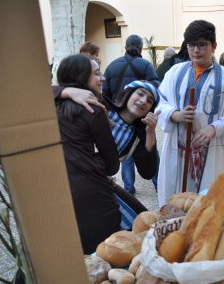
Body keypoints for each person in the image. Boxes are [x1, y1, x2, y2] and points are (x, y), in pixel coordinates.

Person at [0, 54, 121, 284]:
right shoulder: (92, 109)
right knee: (103, 257)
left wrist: (63, 90)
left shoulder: (42, 107)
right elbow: (113, 164)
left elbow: (21, 98)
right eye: (96, 72)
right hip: (92, 197)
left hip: (48, 193)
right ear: (82, 77)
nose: (102, 77)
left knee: (41, 256)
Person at [156, 19, 224, 206]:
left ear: (214, 46)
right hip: (178, 150)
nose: (196, 50)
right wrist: (175, 114)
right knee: (175, 202)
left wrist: (215, 128)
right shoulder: (174, 72)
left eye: (202, 44)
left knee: (207, 203)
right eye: (192, 45)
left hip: (211, 152)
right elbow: (161, 102)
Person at [55, 80, 160, 228]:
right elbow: (47, 95)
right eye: (140, 94)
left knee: (144, 222)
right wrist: (68, 92)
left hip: (100, 182)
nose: (143, 101)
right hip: (72, 178)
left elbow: (147, 172)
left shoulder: (136, 136)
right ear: (128, 93)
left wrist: (150, 134)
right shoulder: (102, 106)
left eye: (149, 100)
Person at [103, 34, 160, 195]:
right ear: (141, 48)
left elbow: (105, 92)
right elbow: (156, 89)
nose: (142, 100)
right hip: (140, 121)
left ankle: (128, 189)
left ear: (126, 47)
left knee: (126, 156)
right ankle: (158, 185)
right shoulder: (146, 65)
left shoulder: (112, 66)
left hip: (117, 118)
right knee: (147, 150)